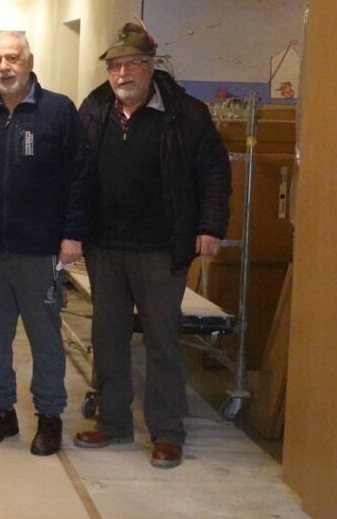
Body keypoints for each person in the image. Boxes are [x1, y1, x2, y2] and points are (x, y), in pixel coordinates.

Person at [73, 23, 231, 469]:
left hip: (162, 249)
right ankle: (114, 422)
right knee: (108, 338)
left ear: (149, 67)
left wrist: (211, 225)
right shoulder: (95, 107)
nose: (122, 73)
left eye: (131, 64)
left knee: (162, 339)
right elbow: (76, 170)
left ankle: (167, 431)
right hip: (104, 247)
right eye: (114, 65)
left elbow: (214, 172)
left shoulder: (185, 112)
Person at [0, 31, 90, 456]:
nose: (4, 66)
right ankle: (2, 411)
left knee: (45, 337)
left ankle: (49, 416)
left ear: (28, 60)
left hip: (40, 250)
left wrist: (72, 234)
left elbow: (80, 178)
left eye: (12, 58)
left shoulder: (58, 111)